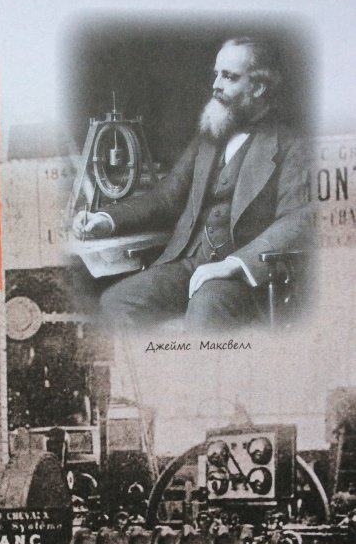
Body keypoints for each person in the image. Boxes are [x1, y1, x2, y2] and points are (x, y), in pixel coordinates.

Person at [73, 37, 311, 331]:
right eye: (216, 74)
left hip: (243, 277)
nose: (216, 85)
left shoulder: (291, 145)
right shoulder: (210, 136)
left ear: (258, 88)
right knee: (117, 302)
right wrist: (106, 219)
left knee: (206, 307)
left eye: (229, 77)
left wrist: (234, 264)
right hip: (190, 263)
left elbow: (297, 219)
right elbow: (165, 197)